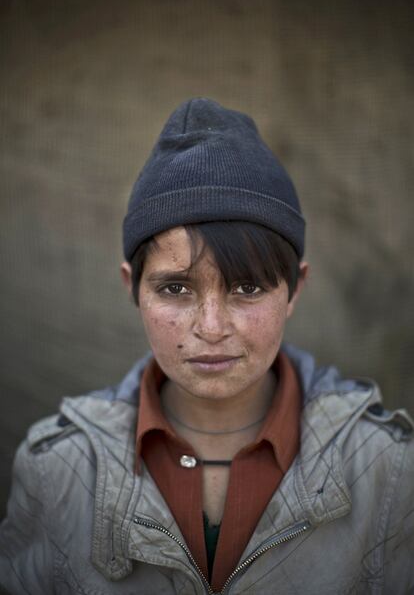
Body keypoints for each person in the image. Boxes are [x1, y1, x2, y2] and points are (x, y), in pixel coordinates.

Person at [0, 98, 413, 595]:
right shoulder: (57, 470)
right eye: (175, 289)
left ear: (295, 290)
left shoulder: (386, 470)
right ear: (132, 287)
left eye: (248, 288)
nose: (212, 326)